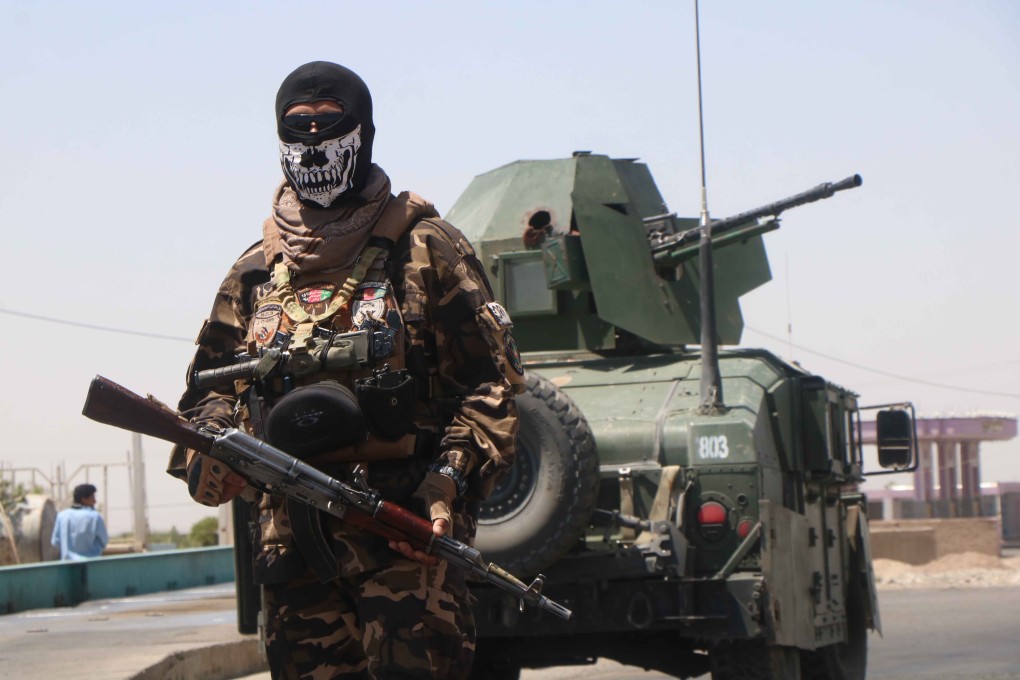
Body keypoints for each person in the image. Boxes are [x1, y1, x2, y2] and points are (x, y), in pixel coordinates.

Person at [167, 61, 523, 679]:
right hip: (291, 551)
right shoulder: (255, 272)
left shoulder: (428, 249)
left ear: (363, 133)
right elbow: (207, 392)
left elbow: (492, 385)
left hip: (405, 541)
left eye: (328, 126)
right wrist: (208, 458)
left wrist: (445, 487)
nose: (311, 141)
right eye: (296, 127)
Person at [51, 483, 109, 560]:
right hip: (91, 565)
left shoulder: (62, 516)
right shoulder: (95, 517)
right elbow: (104, 541)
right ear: (84, 499)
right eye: (92, 497)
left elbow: (55, 542)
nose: (95, 501)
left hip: (67, 565)